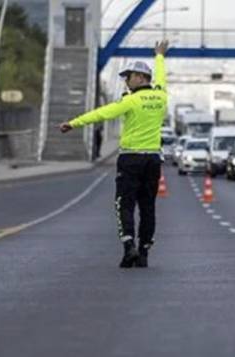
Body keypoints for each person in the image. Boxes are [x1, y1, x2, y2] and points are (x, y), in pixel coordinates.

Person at [59, 40, 169, 268]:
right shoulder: (161, 97)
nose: (126, 82)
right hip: (153, 160)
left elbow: (102, 114)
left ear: (139, 77)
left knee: (124, 204)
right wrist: (159, 55)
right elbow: (162, 77)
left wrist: (74, 123)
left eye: (128, 77)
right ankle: (145, 252)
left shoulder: (130, 101)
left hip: (130, 159)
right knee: (148, 206)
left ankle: (129, 246)